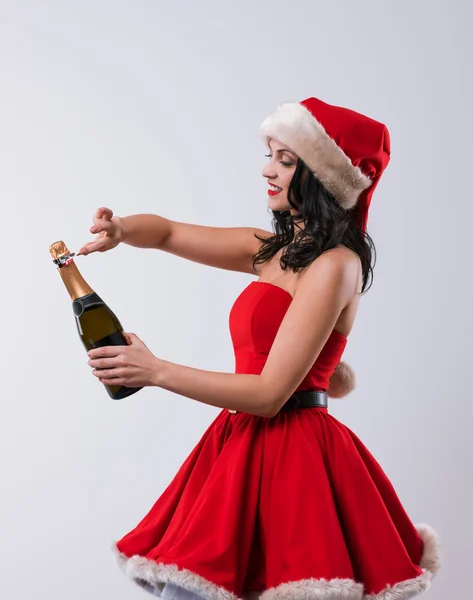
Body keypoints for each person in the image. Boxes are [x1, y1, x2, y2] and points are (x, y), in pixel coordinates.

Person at [80, 97, 440, 600]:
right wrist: (120, 231)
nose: (267, 170)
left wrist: (155, 370)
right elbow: (167, 232)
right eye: (270, 154)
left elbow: (271, 393)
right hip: (240, 444)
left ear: (324, 176)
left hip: (295, 455)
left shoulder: (335, 265)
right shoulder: (271, 251)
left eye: (285, 160)